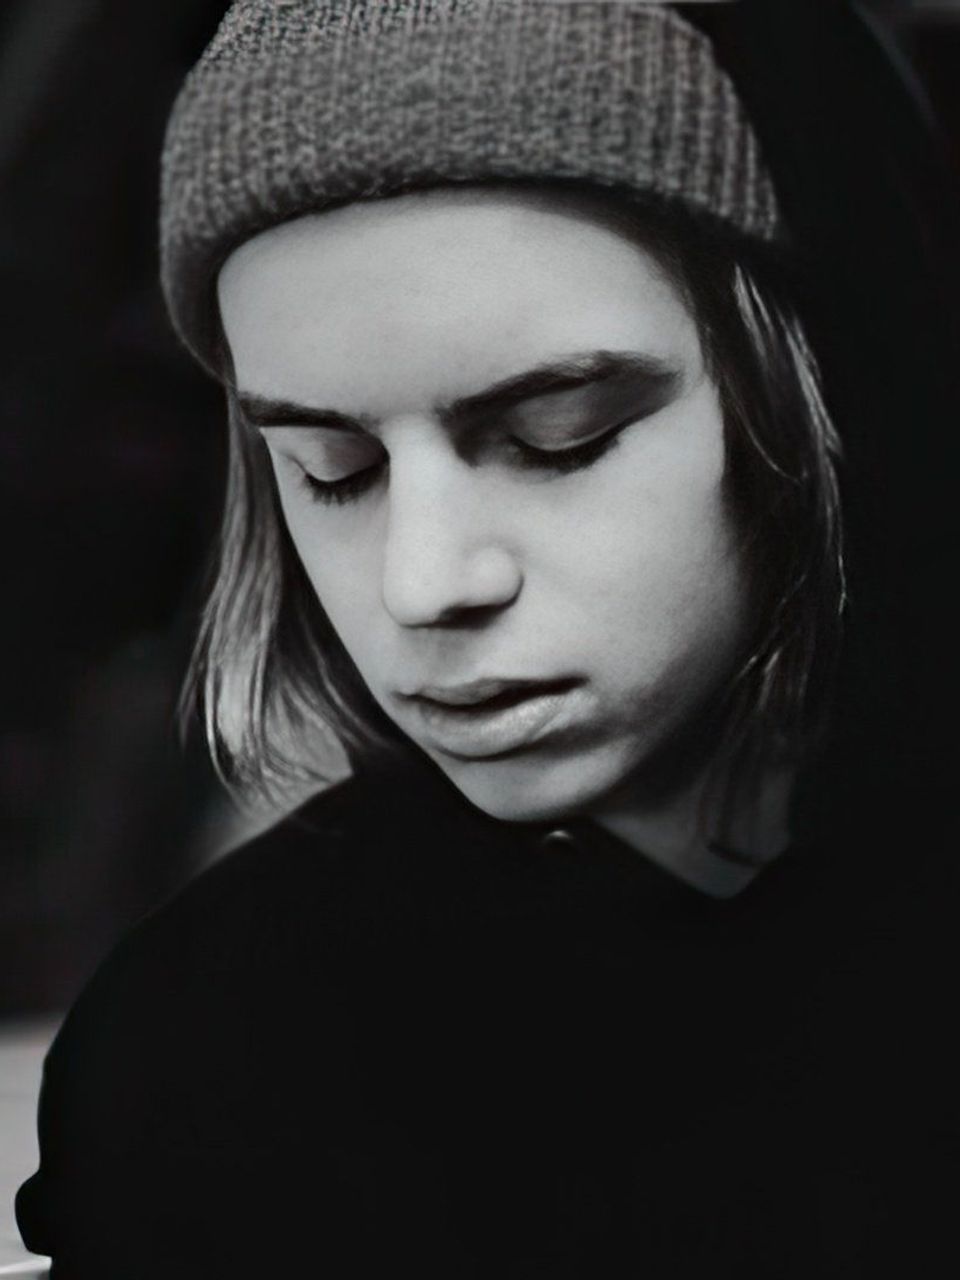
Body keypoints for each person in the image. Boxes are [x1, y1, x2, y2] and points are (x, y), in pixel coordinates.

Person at [16, 2, 959, 1276]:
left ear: (806, 386)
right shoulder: (198, 1059)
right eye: (333, 468)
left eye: (558, 436)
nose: (422, 583)